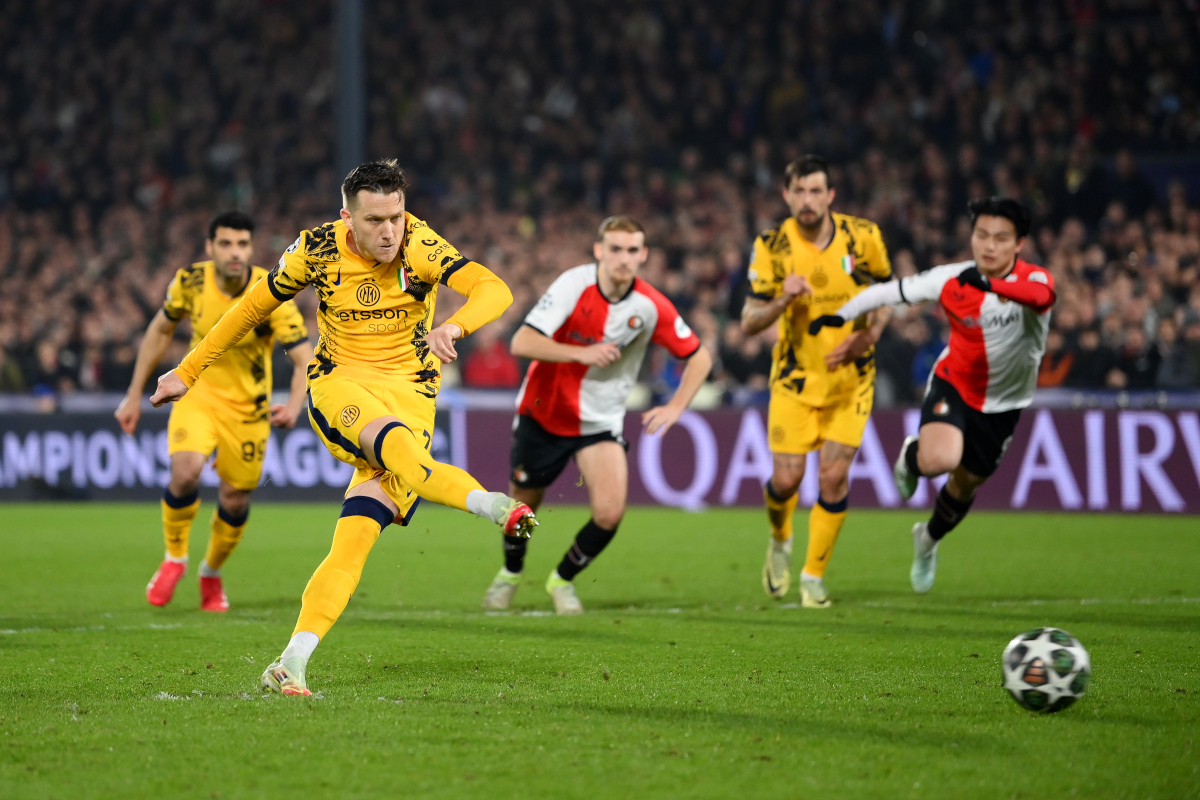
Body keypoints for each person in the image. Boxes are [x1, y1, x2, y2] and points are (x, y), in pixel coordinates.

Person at [149, 160, 538, 696]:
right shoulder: (317, 249)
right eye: (375, 219)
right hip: (341, 385)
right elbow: (248, 310)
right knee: (400, 450)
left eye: (396, 216)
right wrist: (187, 371)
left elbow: (495, 289)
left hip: (412, 392)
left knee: (353, 542)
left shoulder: (419, 244)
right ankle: (496, 507)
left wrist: (456, 323)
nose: (389, 231)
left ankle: (291, 661)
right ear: (347, 217)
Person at [810, 197, 1054, 593]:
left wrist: (992, 285)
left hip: (1005, 403)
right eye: (982, 235)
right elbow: (889, 292)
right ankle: (912, 456)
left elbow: (1042, 299)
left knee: (965, 485)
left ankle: (927, 540)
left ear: (1019, 244)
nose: (989, 246)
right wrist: (841, 315)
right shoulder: (952, 278)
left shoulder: (1035, 280)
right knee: (940, 459)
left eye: (1000, 238)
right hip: (954, 382)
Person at [481, 216, 713, 615]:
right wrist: (581, 353)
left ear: (643, 255)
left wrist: (677, 406)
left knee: (609, 512)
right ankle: (511, 571)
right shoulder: (574, 285)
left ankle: (562, 579)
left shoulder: (650, 305)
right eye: (616, 249)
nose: (623, 258)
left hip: (599, 422)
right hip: (544, 413)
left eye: (632, 250)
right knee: (522, 511)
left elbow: (699, 356)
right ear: (599, 251)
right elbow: (522, 341)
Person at [114, 211, 313, 612]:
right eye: (225, 243)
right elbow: (160, 330)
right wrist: (133, 393)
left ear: (251, 248)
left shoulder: (271, 289)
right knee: (185, 471)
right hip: (198, 397)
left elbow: (304, 358)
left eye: (242, 244)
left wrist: (295, 403)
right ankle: (175, 558)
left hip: (249, 411)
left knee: (235, 499)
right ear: (210, 247)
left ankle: (211, 572)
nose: (234, 252)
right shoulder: (189, 282)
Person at [740, 155, 893, 609]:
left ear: (831, 195)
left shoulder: (863, 238)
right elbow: (749, 321)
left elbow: (889, 294)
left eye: (815, 191)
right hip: (795, 379)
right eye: (798, 192)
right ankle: (781, 538)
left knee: (832, 477)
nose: (807, 200)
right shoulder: (771, 246)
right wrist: (781, 301)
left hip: (851, 380)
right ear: (786, 195)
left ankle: (813, 577)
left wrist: (871, 334)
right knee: (787, 480)